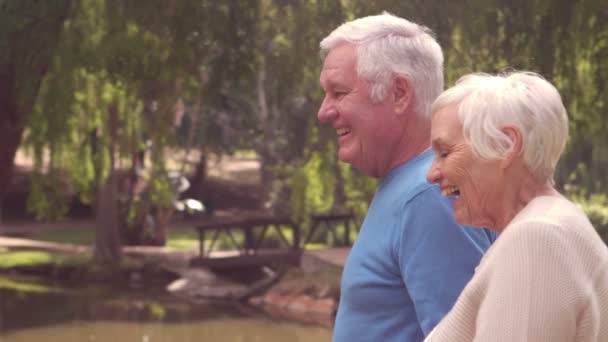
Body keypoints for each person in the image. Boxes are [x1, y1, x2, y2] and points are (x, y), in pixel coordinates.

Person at [317, 13, 496, 342]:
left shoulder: (429, 195)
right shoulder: (410, 185)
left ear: (399, 92)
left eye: (339, 93)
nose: (324, 111)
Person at [425, 71, 608, 341]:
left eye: (445, 153)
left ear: (507, 145)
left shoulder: (536, 238)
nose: (432, 174)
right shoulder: (550, 226)